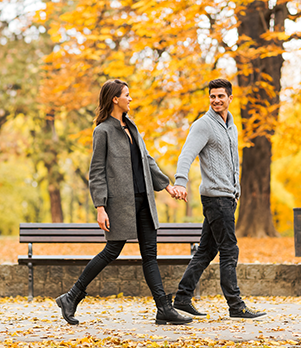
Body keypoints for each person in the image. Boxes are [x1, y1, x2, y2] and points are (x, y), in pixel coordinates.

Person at [56, 79, 192, 326]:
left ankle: (163, 308)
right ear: (115, 99)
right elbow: (96, 171)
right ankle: (72, 296)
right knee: (111, 251)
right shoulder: (103, 131)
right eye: (127, 95)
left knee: (150, 255)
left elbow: (147, 160)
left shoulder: (132, 126)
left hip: (144, 201)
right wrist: (100, 207)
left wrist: (167, 185)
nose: (131, 99)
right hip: (120, 204)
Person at [170, 79, 266, 320]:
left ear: (230, 98)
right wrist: (180, 181)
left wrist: (237, 188)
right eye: (212, 96)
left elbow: (232, 162)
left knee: (205, 251)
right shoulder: (203, 125)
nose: (216, 101)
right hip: (215, 198)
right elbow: (186, 154)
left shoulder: (231, 126)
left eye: (220, 96)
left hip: (228, 197)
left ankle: (182, 297)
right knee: (229, 249)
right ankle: (236, 305)